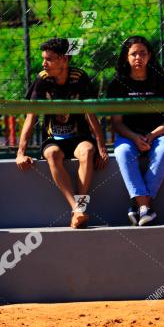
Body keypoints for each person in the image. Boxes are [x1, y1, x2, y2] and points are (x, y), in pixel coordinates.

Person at [16, 37, 109, 229]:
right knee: (51, 154)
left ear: (64, 60)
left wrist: (101, 147)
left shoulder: (79, 78)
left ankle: (80, 209)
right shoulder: (42, 80)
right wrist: (20, 152)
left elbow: (91, 114)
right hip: (53, 139)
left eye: (49, 59)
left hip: (79, 137)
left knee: (87, 152)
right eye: (43, 58)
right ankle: (77, 209)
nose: (44, 63)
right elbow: (31, 116)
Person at [108, 36, 164, 226]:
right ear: (126, 57)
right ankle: (146, 206)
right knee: (122, 152)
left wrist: (153, 134)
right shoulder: (117, 84)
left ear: (149, 56)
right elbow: (116, 123)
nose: (138, 57)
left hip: (159, 134)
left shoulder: (163, 82)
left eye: (142, 53)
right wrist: (134, 137)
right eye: (133, 54)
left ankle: (137, 204)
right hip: (129, 136)